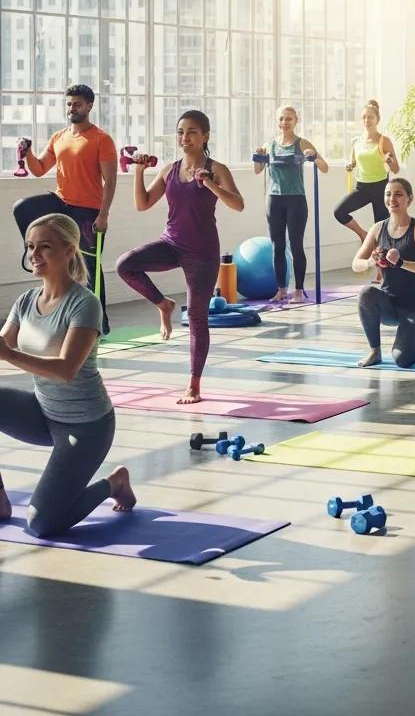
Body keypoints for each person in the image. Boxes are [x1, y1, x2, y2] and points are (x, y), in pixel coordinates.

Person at [0, 214, 135, 537]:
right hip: (44, 414)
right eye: (30, 246)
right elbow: (3, 343)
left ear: (69, 250)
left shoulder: (84, 304)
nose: (34, 254)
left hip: (87, 426)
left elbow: (65, 369)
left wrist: (9, 355)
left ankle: (114, 482)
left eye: (44, 247)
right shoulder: (26, 300)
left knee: (42, 523)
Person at [115, 110, 244, 404]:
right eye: (180, 132)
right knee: (125, 265)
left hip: (203, 253)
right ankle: (164, 304)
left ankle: (194, 385)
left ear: (205, 136)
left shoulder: (218, 168)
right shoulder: (170, 170)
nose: (185, 138)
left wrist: (210, 183)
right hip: (171, 243)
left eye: (192, 132)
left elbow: (238, 205)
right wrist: (138, 171)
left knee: (198, 318)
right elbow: (142, 203)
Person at [13, 84, 117, 335]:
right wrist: (27, 153)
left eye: (77, 104)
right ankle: (39, 249)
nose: (72, 108)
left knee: (92, 268)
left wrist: (103, 214)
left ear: (89, 106)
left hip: (87, 210)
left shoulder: (101, 139)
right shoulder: (59, 137)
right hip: (60, 204)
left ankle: (100, 325)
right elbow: (38, 170)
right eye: (69, 104)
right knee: (22, 208)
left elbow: (110, 181)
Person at [351, 178, 415, 368]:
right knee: (366, 293)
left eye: (398, 194)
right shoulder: (378, 228)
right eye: (388, 194)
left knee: (402, 360)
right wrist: (370, 262)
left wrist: (401, 263)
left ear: (409, 199)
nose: (392, 199)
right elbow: (356, 264)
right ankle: (375, 351)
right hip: (390, 305)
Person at [253, 105, 328, 303]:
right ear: (277, 121)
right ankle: (280, 290)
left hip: (296, 199)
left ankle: (298, 291)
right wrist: (258, 155)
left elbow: (324, 167)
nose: (284, 122)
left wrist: (313, 155)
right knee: (277, 246)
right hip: (274, 199)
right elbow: (258, 170)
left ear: (296, 121)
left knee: (296, 246)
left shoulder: (302, 143)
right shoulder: (269, 145)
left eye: (288, 119)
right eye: (281, 119)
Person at [334, 100, 399, 245]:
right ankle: (364, 235)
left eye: (370, 117)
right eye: (364, 117)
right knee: (339, 212)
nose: (366, 120)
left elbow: (396, 169)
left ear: (377, 119)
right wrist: (350, 165)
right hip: (362, 188)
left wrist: (389, 161)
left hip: (381, 188)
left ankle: (382, 267)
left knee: (383, 233)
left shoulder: (384, 141)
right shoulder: (356, 142)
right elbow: (354, 162)